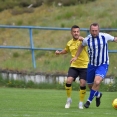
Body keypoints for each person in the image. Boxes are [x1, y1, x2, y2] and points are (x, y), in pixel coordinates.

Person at [70, 23, 117, 108]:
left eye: (96, 30)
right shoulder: (87, 39)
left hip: (103, 64)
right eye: (93, 31)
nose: (94, 32)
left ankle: (88, 101)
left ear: (99, 30)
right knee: (90, 85)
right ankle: (98, 94)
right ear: (90, 30)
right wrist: (76, 57)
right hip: (91, 65)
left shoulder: (105, 36)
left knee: (97, 81)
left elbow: (115, 39)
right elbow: (81, 46)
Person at [55, 25, 89, 109]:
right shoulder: (69, 43)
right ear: (71, 33)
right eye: (74, 32)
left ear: (79, 32)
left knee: (82, 83)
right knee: (68, 80)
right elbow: (66, 50)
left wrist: (84, 39)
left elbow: (89, 43)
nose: (76, 33)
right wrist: (59, 53)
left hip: (84, 66)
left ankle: (81, 103)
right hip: (74, 65)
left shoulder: (83, 40)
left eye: (77, 31)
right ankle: (69, 99)